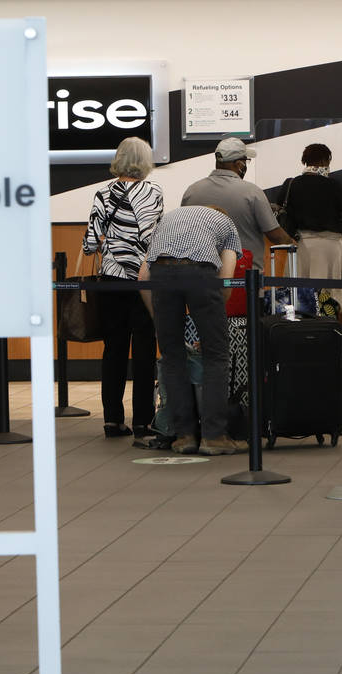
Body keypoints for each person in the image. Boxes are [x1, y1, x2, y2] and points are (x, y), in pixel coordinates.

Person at [138, 205, 248, 457]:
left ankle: (184, 436)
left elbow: (143, 277)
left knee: (172, 357)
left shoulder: (168, 219)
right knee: (216, 355)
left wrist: (160, 323)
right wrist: (213, 326)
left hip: (161, 273)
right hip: (200, 273)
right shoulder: (227, 225)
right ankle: (214, 436)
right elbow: (226, 279)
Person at [82, 136, 163, 440]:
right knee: (144, 349)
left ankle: (112, 420)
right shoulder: (153, 192)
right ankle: (143, 421)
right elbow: (153, 238)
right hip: (143, 280)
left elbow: (90, 244)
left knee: (113, 349)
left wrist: (110, 245)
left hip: (111, 280)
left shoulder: (102, 192)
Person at [181, 137, 294, 275]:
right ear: (239, 164)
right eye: (246, 161)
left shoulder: (192, 191)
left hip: (202, 276)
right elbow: (276, 236)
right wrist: (295, 243)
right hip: (244, 277)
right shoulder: (252, 193)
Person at [279, 143, 342, 310]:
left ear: (305, 161)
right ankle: (327, 329)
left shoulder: (291, 184)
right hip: (330, 247)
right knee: (330, 298)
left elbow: (279, 210)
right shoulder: (333, 185)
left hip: (302, 246)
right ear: (326, 160)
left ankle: (303, 330)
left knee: (299, 296)